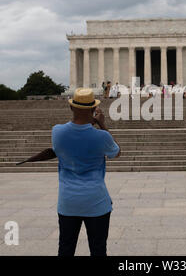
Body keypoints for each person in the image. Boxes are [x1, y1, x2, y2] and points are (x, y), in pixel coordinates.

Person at [52, 88, 121, 256]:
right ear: (93, 110)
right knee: (98, 250)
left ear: (71, 108)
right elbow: (116, 152)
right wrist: (102, 124)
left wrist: (87, 121)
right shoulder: (101, 137)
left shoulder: (57, 132)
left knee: (65, 249)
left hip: (68, 201)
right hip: (96, 201)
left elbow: (76, 134)